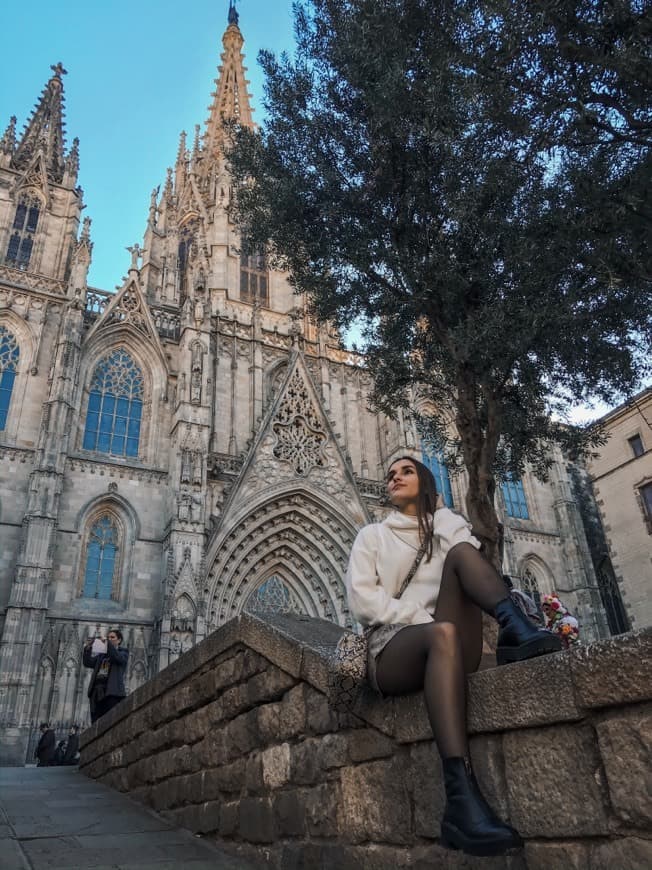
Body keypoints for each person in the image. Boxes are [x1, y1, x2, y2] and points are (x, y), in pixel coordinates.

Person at [345, 456, 562, 857]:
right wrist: (418, 617)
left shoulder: (444, 531)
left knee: (462, 554)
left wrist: (438, 513)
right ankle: (460, 799)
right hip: (392, 647)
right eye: (390, 475)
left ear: (426, 482)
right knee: (440, 631)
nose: (394, 478)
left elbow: (470, 550)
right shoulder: (372, 535)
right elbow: (362, 601)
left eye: (406, 471)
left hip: (444, 642)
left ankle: (517, 628)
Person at [83, 629, 129, 723]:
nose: (109, 639)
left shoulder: (123, 652)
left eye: (112, 637)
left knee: (110, 721)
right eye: (108, 637)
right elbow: (88, 663)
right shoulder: (101, 655)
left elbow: (118, 658)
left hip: (112, 692)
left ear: (119, 640)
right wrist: (88, 648)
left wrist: (108, 644)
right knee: (96, 722)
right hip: (97, 692)